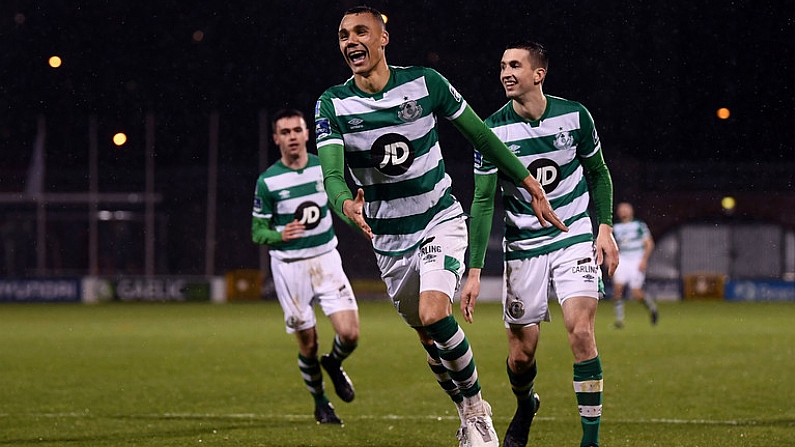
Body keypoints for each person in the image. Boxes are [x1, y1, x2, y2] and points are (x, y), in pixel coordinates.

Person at [314, 7, 567, 447]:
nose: (350, 41)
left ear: (383, 38)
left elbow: (483, 137)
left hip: (440, 219)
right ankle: (463, 407)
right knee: (430, 340)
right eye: (342, 35)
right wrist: (344, 205)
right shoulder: (332, 103)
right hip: (390, 240)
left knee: (436, 314)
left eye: (361, 32)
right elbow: (333, 175)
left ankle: (476, 411)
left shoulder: (426, 83)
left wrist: (529, 182)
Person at [461, 41, 619, 447]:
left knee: (581, 332)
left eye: (515, 65)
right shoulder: (492, 130)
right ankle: (525, 402)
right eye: (501, 66)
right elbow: (482, 201)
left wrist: (604, 227)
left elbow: (598, 173)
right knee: (521, 355)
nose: (505, 73)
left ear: (538, 74)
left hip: (573, 235)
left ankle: (591, 441)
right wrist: (474, 269)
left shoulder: (575, 115)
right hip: (524, 246)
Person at [251, 108, 360, 425]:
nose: (292, 137)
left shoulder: (323, 168)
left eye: (297, 130)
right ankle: (321, 403)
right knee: (308, 343)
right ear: (276, 139)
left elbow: (340, 204)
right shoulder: (268, 182)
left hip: (326, 258)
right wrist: (278, 233)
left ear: (307, 133)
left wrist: (355, 215)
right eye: (285, 132)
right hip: (289, 267)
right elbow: (257, 232)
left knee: (350, 334)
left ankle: (335, 362)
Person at [611, 201, 657, 328]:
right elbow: (612, 246)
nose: (624, 212)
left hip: (636, 259)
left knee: (636, 292)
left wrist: (644, 260)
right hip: (623, 259)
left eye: (626, 209)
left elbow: (649, 244)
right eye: (622, 209)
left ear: (631, 211)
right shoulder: (615, 227)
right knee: (617, 289)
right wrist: (609, 259)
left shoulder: (639, 225)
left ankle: (652, 308)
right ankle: (619, 320)